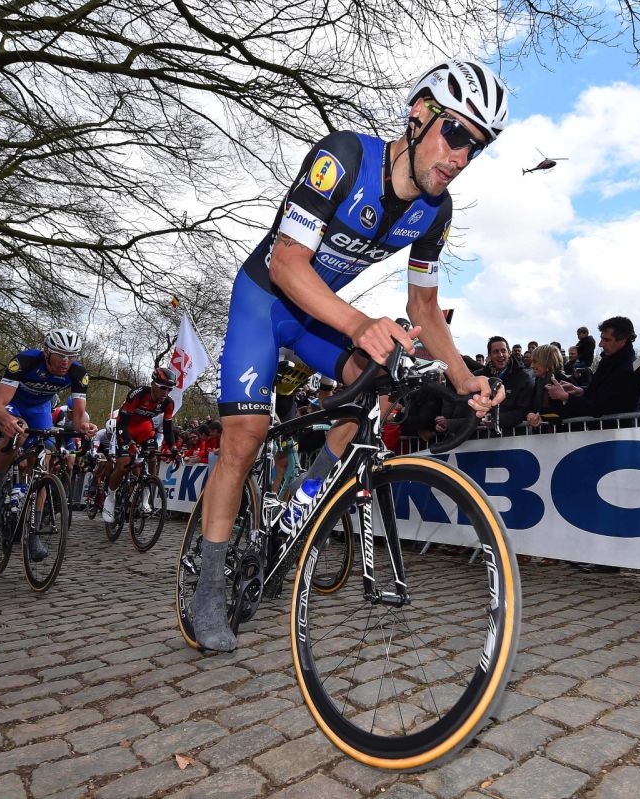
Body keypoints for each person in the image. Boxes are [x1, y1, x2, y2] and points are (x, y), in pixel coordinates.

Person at [189, 59, 508, 652]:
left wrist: (466, 377)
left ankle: (298, 511)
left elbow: (423, 305)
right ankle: (207, 586)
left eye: (477, 146)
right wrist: (360, 323)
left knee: (373, 385)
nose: (461, 156)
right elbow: (287, 263)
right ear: (419, 115)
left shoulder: (435, 211)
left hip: (318, 317)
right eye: (455, 133)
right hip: (266, 302)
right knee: (245, 437)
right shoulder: (344, 157)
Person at [0, 328, 98, 560]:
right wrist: (7, 420)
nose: (65, 361)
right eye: (60, 355)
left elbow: (78, 419)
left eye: (71, 356)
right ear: (46, 351)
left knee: (41, 468)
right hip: (13, 404)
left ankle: (33, 532)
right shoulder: (25, 361)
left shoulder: (78, 373)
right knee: (19, 431)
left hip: (40, 410)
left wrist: (85, 427)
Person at [101, 366, 178, 524]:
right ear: (154, 385)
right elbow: (122, 424)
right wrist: (130, 443)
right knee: (123, 464)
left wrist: (174, 448)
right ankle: (110, 497)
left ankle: (145, 499)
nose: (166, 392)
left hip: (144, 428)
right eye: (163, 388)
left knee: (152, 457)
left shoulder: (168, 403)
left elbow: (168, 429)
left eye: (169, 389)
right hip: (126, 427)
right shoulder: (138, 394)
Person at [549, 316, 640, 418]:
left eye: (606, 340)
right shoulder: (608, 361)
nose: (600, 344)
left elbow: (602, 407)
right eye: (601, 338)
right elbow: (599, 393)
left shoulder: (630, 368)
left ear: (623, 340)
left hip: (617, 427)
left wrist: (566, 397)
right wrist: (580, 391)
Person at [525, 344, 570, 427]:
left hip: (562, 433)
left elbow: (567, 411)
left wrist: (543, 417)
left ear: (547, 362)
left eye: (535, 362)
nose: (532, 366)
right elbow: (530, 405)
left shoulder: (562, 380)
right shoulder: (538, 381)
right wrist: (530, 413)